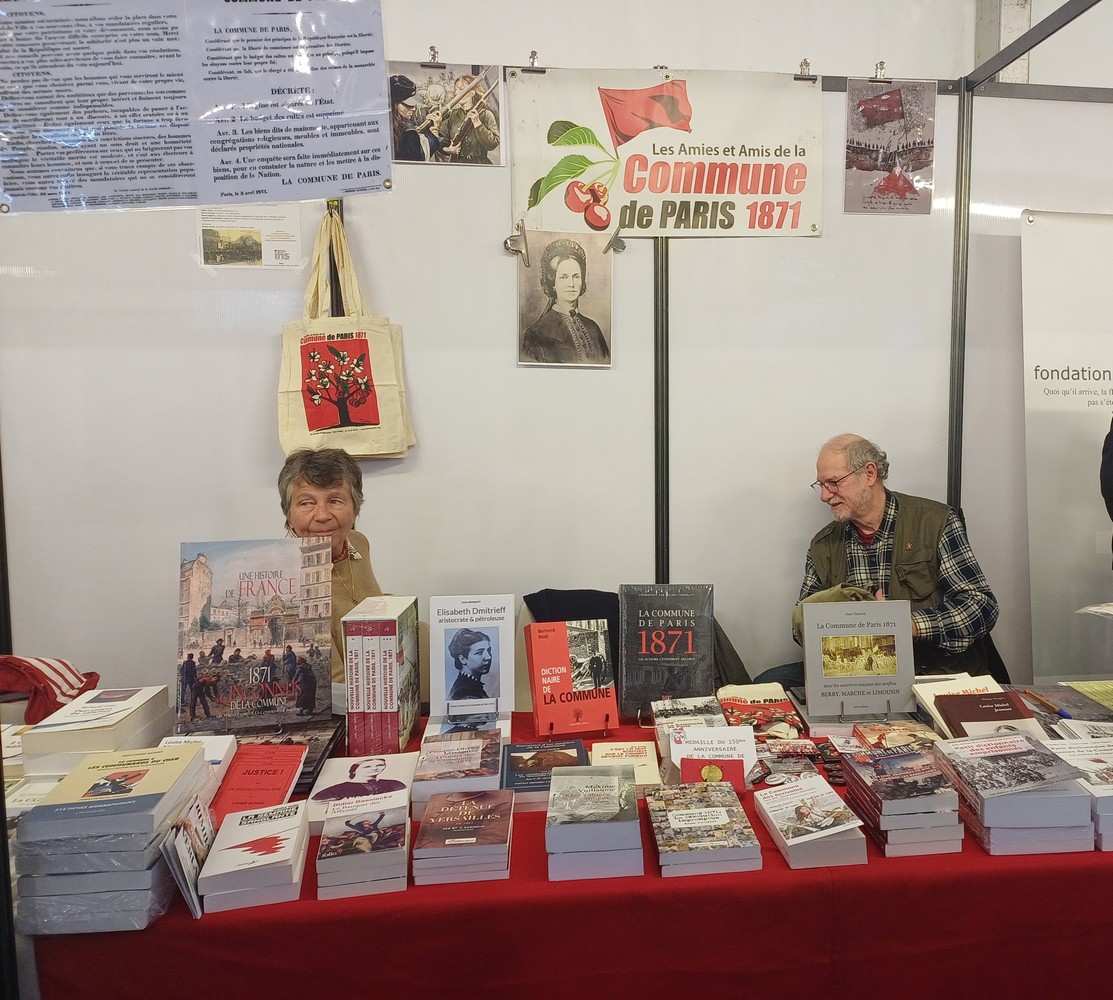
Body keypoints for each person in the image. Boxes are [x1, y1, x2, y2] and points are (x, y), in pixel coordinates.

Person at [755, 434, 999, 686]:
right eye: (821, 485)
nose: (824, 496)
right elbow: (801, 628)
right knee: (767, 684)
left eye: (833, 483)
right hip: (857, 672)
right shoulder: (823, 544)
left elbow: (981, 605)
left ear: (869, 474)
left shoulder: (935, 522)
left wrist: (909, 626)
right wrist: (849, 628)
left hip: (930, 669)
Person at [279, 448, 384, 686]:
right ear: (289, 515)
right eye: (306, 503)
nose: (323, 515)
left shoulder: (358, 543)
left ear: (355, 507)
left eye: (335, 500)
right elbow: (334, 681)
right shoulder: (290, 579)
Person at [521, 239, 610, 366]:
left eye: (576, 276)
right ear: (553, 283)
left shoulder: (593, 328)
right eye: (563, 277)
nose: (571, 284)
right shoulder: (537, 333)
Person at [438, 74, 499, 164]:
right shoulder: (452, 115)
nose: (456, 93)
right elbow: (440, 141)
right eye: (456, 90)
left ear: (472, 93)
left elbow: (493, 144)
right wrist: (448, 150)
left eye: (461, 89)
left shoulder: (486, 114)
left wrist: (477, 123)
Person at [390, 74, 444, 162]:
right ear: (394, 103)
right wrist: (434, 135)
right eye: (408, 105)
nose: (413, 108)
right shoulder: (409, 133)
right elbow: (417, 159)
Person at [311, 757, 406, 801]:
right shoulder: (334, 790)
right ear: (354, 770)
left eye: (380, 765)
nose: (374, 768)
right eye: (367, 767)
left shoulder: (395, 784)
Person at [447, 628, 493, 700]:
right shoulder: (465, 694)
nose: (488, 657)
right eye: (479, 652)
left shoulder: (473, 687)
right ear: (463, 659)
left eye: (489, 651)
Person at [179, 652, 211, 722]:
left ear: (188, 657)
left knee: (183, 691)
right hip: (190, 679)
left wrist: (184, 675)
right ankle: (206, 714)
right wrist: (195, 677)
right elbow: (194, 671)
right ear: (192, 657)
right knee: (193, 691)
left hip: (184, 678)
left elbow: (181, 670)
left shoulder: (185, 662)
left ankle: (182, 702)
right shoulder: (193, 663)